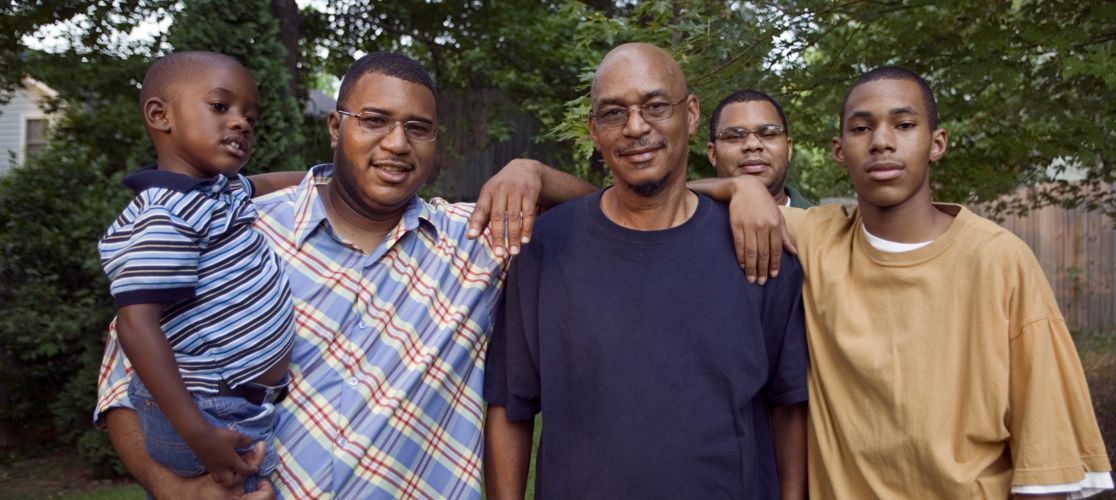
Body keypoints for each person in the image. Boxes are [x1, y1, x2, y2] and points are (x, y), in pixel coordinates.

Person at [94, 50, 785, 499]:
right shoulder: (241, 233)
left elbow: (627, 207)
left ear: (436, 143)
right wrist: (172, 485)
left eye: (417, 128)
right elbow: (124, 370)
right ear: (335, 127)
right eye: (373, 121)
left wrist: (728, 191)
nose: (396, 144)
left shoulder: (477, 238)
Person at [697, 66, 1116, 499]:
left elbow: (1046, 464)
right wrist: (741, 189)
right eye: (862, 128)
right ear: (839, 150)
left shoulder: (999, 261)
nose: (881, 141)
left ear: (937, 143)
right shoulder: (815, 239)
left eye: (904, 124)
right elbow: (675, 199)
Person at [483, 43, 809, 500]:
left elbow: (788, 404)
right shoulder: (545, 247)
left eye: (656, 106)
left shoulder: (755, 242)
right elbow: (510, 406)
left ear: (691, 114)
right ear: (594, 131)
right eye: (614, 113)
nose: (636, 127)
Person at [97, 51, 295, 493]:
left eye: (250, 117)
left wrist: (328, 176)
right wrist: (199, 435)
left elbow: (266, 183)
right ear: (160, 115)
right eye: (221, 107)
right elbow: (136, 326)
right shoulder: (166, 215)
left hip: (234, 401)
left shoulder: (215, 193)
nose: (242, 123)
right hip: (204, 409)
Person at [707, 89, 813, 208]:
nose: (752, 145)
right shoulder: (689, 223)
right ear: (713, 154)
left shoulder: (828, 225)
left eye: (768, 134)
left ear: (789, 148)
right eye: (734, 136)